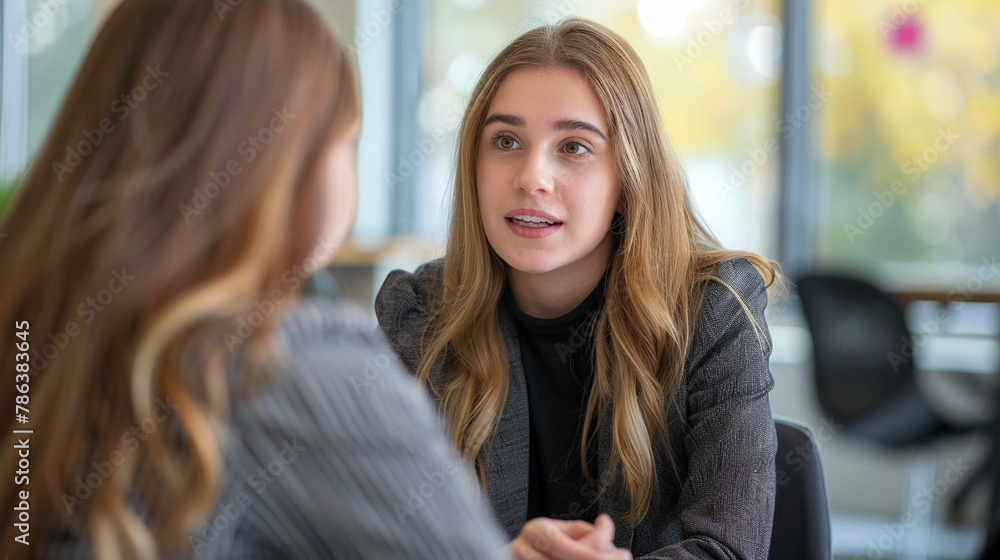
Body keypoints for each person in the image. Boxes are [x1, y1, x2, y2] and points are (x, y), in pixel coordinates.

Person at [0, 2, 632, 559]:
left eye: (574, 147)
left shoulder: (32, 335)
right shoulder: (302, 367)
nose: (532, 179)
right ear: (286, 165)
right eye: (347, 142)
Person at [376, 18, 782, 559]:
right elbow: (382, 538)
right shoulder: (421, 315)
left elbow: (729, 551)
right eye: (505, 141)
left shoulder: (713, 312)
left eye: (573, 147)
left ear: (628, 178)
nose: (531, 177)